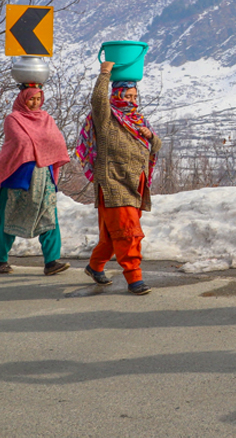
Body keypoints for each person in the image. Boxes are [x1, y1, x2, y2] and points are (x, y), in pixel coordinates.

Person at [75, 61, 161, 295]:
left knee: (112, 234)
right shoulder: (106, 118)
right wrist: (105, 74)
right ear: (116, 95)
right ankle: (134, 278)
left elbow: (156, 145)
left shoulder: (138, 120)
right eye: (127, 96)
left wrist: (151, 136)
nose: (132, 101)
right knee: (127, 232)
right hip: (113, 183)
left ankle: (95, 266)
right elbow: (97, 101)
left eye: (134, 96)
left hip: (135, 184)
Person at [0, 84, 72, 275]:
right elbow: (19, 142)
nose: (35, 103)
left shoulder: (47, 118)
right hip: (20, 177)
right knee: (11, 217)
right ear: (22, 100)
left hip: (44, 176)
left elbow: (57, 142)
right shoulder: (13, 119)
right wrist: (42, 144)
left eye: (38, 99)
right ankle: (1, 259)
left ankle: (51, 262)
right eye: (31, 99)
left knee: (49, 216)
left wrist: (39, 145)